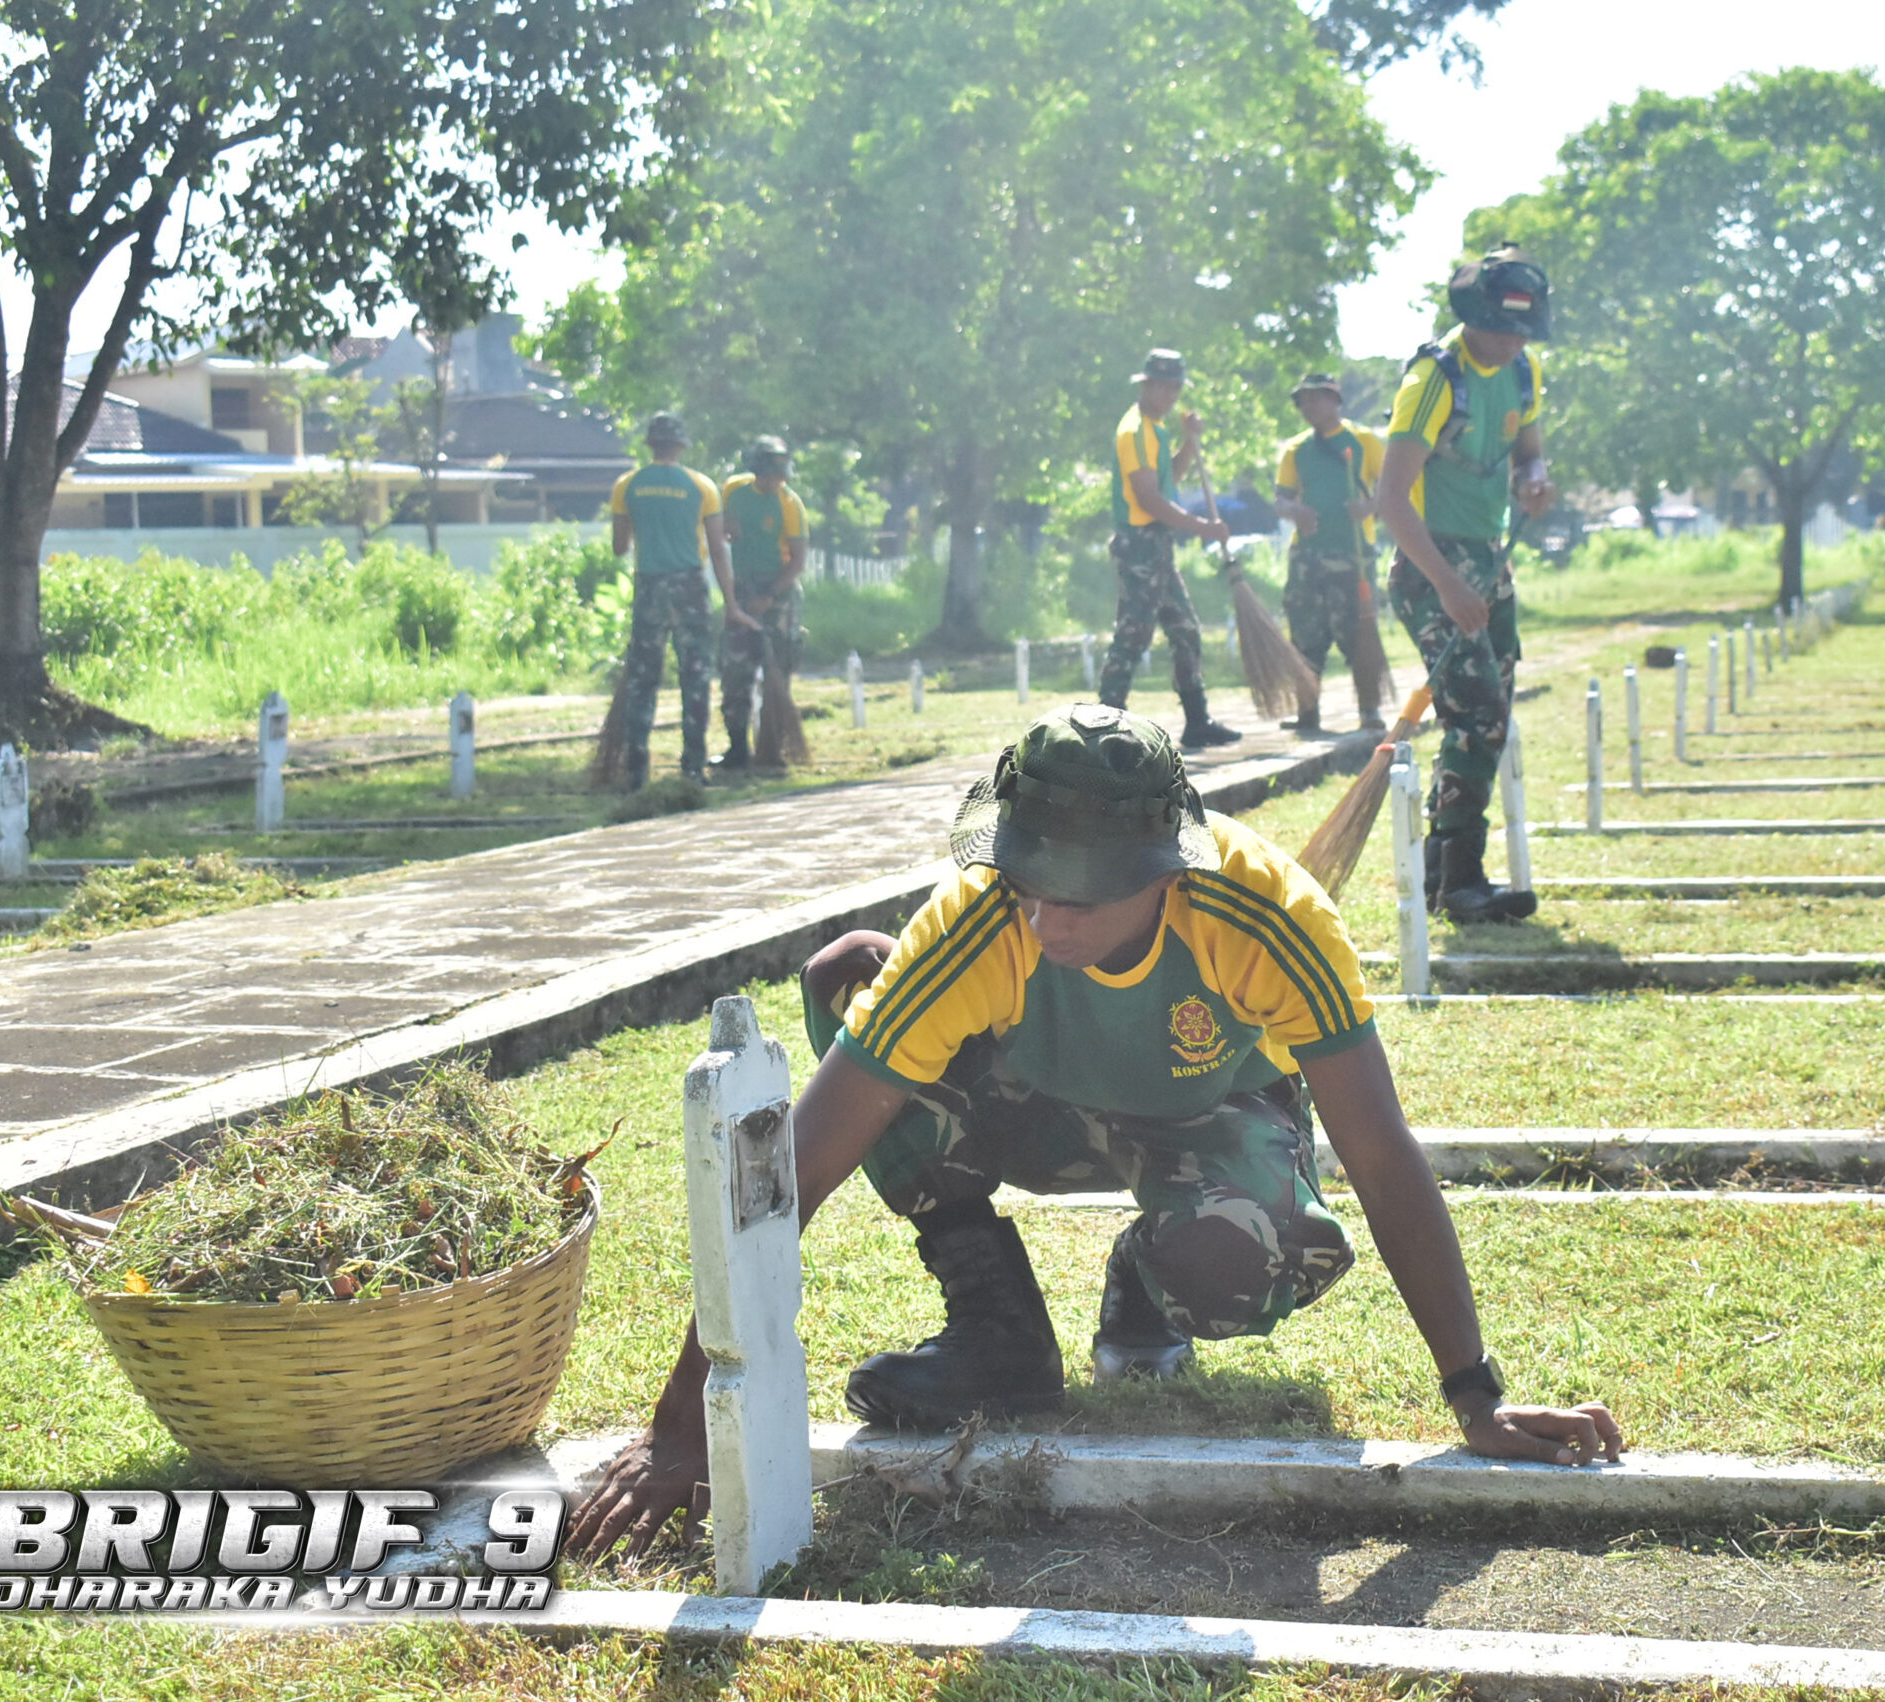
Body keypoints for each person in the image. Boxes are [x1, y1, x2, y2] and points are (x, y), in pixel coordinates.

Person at [567, 703, 1623, 1560]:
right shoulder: (982, 916)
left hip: (1210, 1118)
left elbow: (1382, 1156)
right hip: (1040, 1110)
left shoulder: (1270, 918)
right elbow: (798, 1160)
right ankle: (997, 1328)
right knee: (853, 976)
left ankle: (1147, 1279)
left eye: (1079, 895)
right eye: (1029, 880)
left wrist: (1475, 1395)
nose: (1045, 918)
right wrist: (685, 1427)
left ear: (1166, 868)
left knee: (1249, 1256)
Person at [1375, 248, 1558, 925]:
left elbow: (1529, 452)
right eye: (1502, 329)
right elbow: (1390, 499)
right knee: (1479, 715)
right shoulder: (1433, 379)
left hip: (1489, 558)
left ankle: (1442, 875)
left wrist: (1534, 480)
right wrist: (1448, 586)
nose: (1512, 342)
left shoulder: (1523, 371)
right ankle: (1462, 880)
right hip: (1430, 565)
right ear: (1474, 314)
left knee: (1483, 718)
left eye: (1523, 331)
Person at [1097, 350, 1240, 750]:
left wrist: (1189, 443)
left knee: (1185, 629)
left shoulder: (1156, 430)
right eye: (1163, 386)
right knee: (1133, 633)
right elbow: (1149, 499)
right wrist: (1203, 527)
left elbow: (1169, 479)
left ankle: (1197, 720)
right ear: (1146, 385)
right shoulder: (1133, 431)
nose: (1170, 395)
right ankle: (1104, 725)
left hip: (1158, 544)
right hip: (1139, 545)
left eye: (1175, 388)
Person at [608, 414, 732, 789]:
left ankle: (636, 771)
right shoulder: (702, 486)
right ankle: (692, 767)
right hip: (690, 586)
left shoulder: (627, 485)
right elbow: (717, 548)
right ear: (680, 446)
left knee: (643, 679)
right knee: (695, 676)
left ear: (650, 445)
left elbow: (619, 547)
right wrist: (732, 601)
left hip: (649, 586)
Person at [1273, 372, 1388, 731]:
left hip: (1354, 554)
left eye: (1315, 398)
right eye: (1302, 401)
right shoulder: (1296, 449)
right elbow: (1280, 499)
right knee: (1305, 634)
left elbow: (1392, 487)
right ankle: (1307, 712)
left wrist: (1369, 507)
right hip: (1306, 556)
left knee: (1358, 632)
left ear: (1334, 400)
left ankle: (1369, 709)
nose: (1308, 406)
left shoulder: (1365, 441)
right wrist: (1296, 512)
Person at [715, 435, 810, 770]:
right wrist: (726, 525)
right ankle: (737, 748)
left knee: (777, 674)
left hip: (779, 590)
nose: (775, 482)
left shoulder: (790, 504)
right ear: (756, 471)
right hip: (742, 588)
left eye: (780, 476)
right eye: (769, 476)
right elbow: (720, 525)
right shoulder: (733, 490)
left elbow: (797, 561)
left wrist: (769, 596)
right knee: (734, 671)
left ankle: (773, 749)